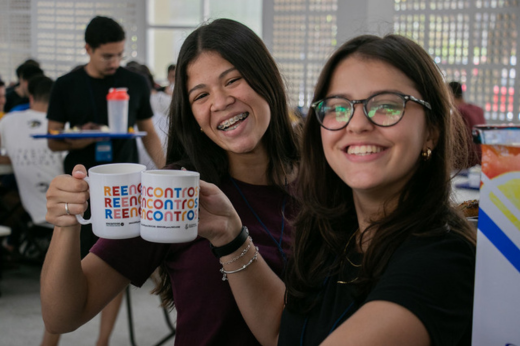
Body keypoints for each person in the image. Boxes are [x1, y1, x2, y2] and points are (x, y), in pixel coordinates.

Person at [194, 34, 477, 346]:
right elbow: (281, 333)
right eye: (339, 107)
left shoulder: (440, 261)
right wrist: (230, 236)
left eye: (386, 105)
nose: (357, 124)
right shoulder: (334, 237)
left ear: (432, 132)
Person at [41, 18, 300, 346]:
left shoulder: (325, 181)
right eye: (200, 95)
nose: (219, 102)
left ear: (267, 78)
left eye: (233, 80)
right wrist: (66, 224)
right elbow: (62, 315)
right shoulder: (173, 194)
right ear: (193, 116)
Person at [44, 15, 165, 346]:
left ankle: (103, 342)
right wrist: (79, 139)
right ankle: (48, 341)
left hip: (123, 191)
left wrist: (168, 170)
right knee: (64, 271)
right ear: (88, 49)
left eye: (119, 55)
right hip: (81, 187)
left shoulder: (134, 83)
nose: (115, 62)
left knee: (113, 266)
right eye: (107, 55)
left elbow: (149, 133)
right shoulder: (66, 85)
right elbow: (53, 138)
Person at [448, 81, 486, 167]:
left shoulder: (459, 112)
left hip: (467, 163)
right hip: (482, 160)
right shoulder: (478, 110)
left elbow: (453, 141)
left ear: (449, 95)